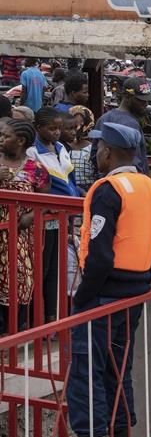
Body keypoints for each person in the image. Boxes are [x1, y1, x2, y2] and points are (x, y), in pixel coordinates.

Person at [52, 122, 151, 437]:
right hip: (132, 295)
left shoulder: (108, 190)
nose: (94, 153)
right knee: (119, 368)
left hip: (102, 296)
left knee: (88, 372)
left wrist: (84, 298)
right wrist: (135, 283)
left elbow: (99, 256)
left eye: (97, 147)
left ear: (108, 152)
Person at [29, 107, 82, 322]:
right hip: (46, 217)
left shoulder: (61, 147)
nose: (57, 133)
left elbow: (69, 180)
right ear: (39, 128)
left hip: (63, 215)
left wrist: (79, 193)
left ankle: (53, 315)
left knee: (56, 269)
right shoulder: (32, 152)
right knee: (43, 268)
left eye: (59, 128)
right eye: (52, 129)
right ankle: (39, 317)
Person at [0, 119, 50, 333]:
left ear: (20, 141)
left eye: (5, 136)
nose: (1, 140)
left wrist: (31, 215)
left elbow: (46, 201)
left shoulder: (36, 169)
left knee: (19, 278)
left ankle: (13, 329)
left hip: (20, 235)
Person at [92, 77, 151, 174]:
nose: (146, 104)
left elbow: (94, 156)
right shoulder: (131, 124)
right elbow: (135, 164)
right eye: (141, 100)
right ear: (127, 97)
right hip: (129, 183)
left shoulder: (103, 118)